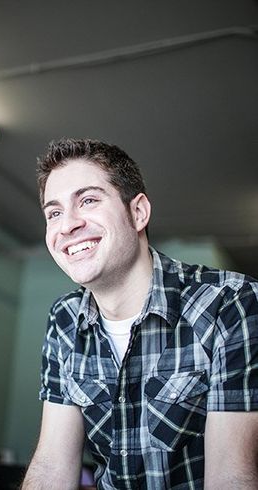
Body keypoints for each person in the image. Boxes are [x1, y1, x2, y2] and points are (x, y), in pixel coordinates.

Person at [22, 138, 258, 490]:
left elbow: (232, 479)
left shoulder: (230, 302)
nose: (67, 225)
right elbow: (52, 467)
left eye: (87, 200)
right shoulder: (65, 319)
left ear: (138, 213)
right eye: (53, 212)